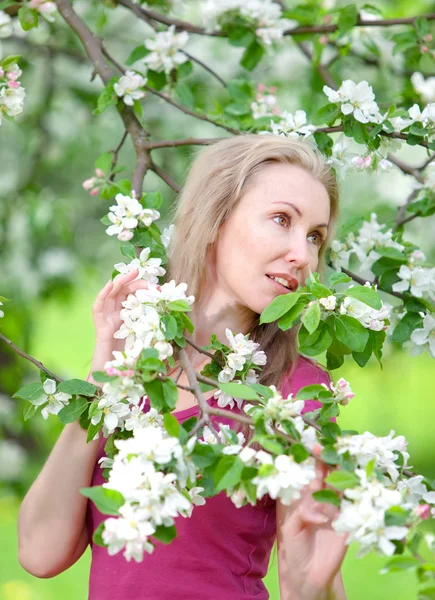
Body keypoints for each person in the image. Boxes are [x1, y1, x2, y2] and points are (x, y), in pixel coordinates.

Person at [18, 135, 348, 599]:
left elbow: (313, 576)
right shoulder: (138, 366)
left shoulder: (293, 389)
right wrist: (101, 383)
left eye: (316, 236)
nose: (304, 254)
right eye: (282, 219)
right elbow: (39, 552)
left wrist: (309, 585)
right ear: (215, 217)